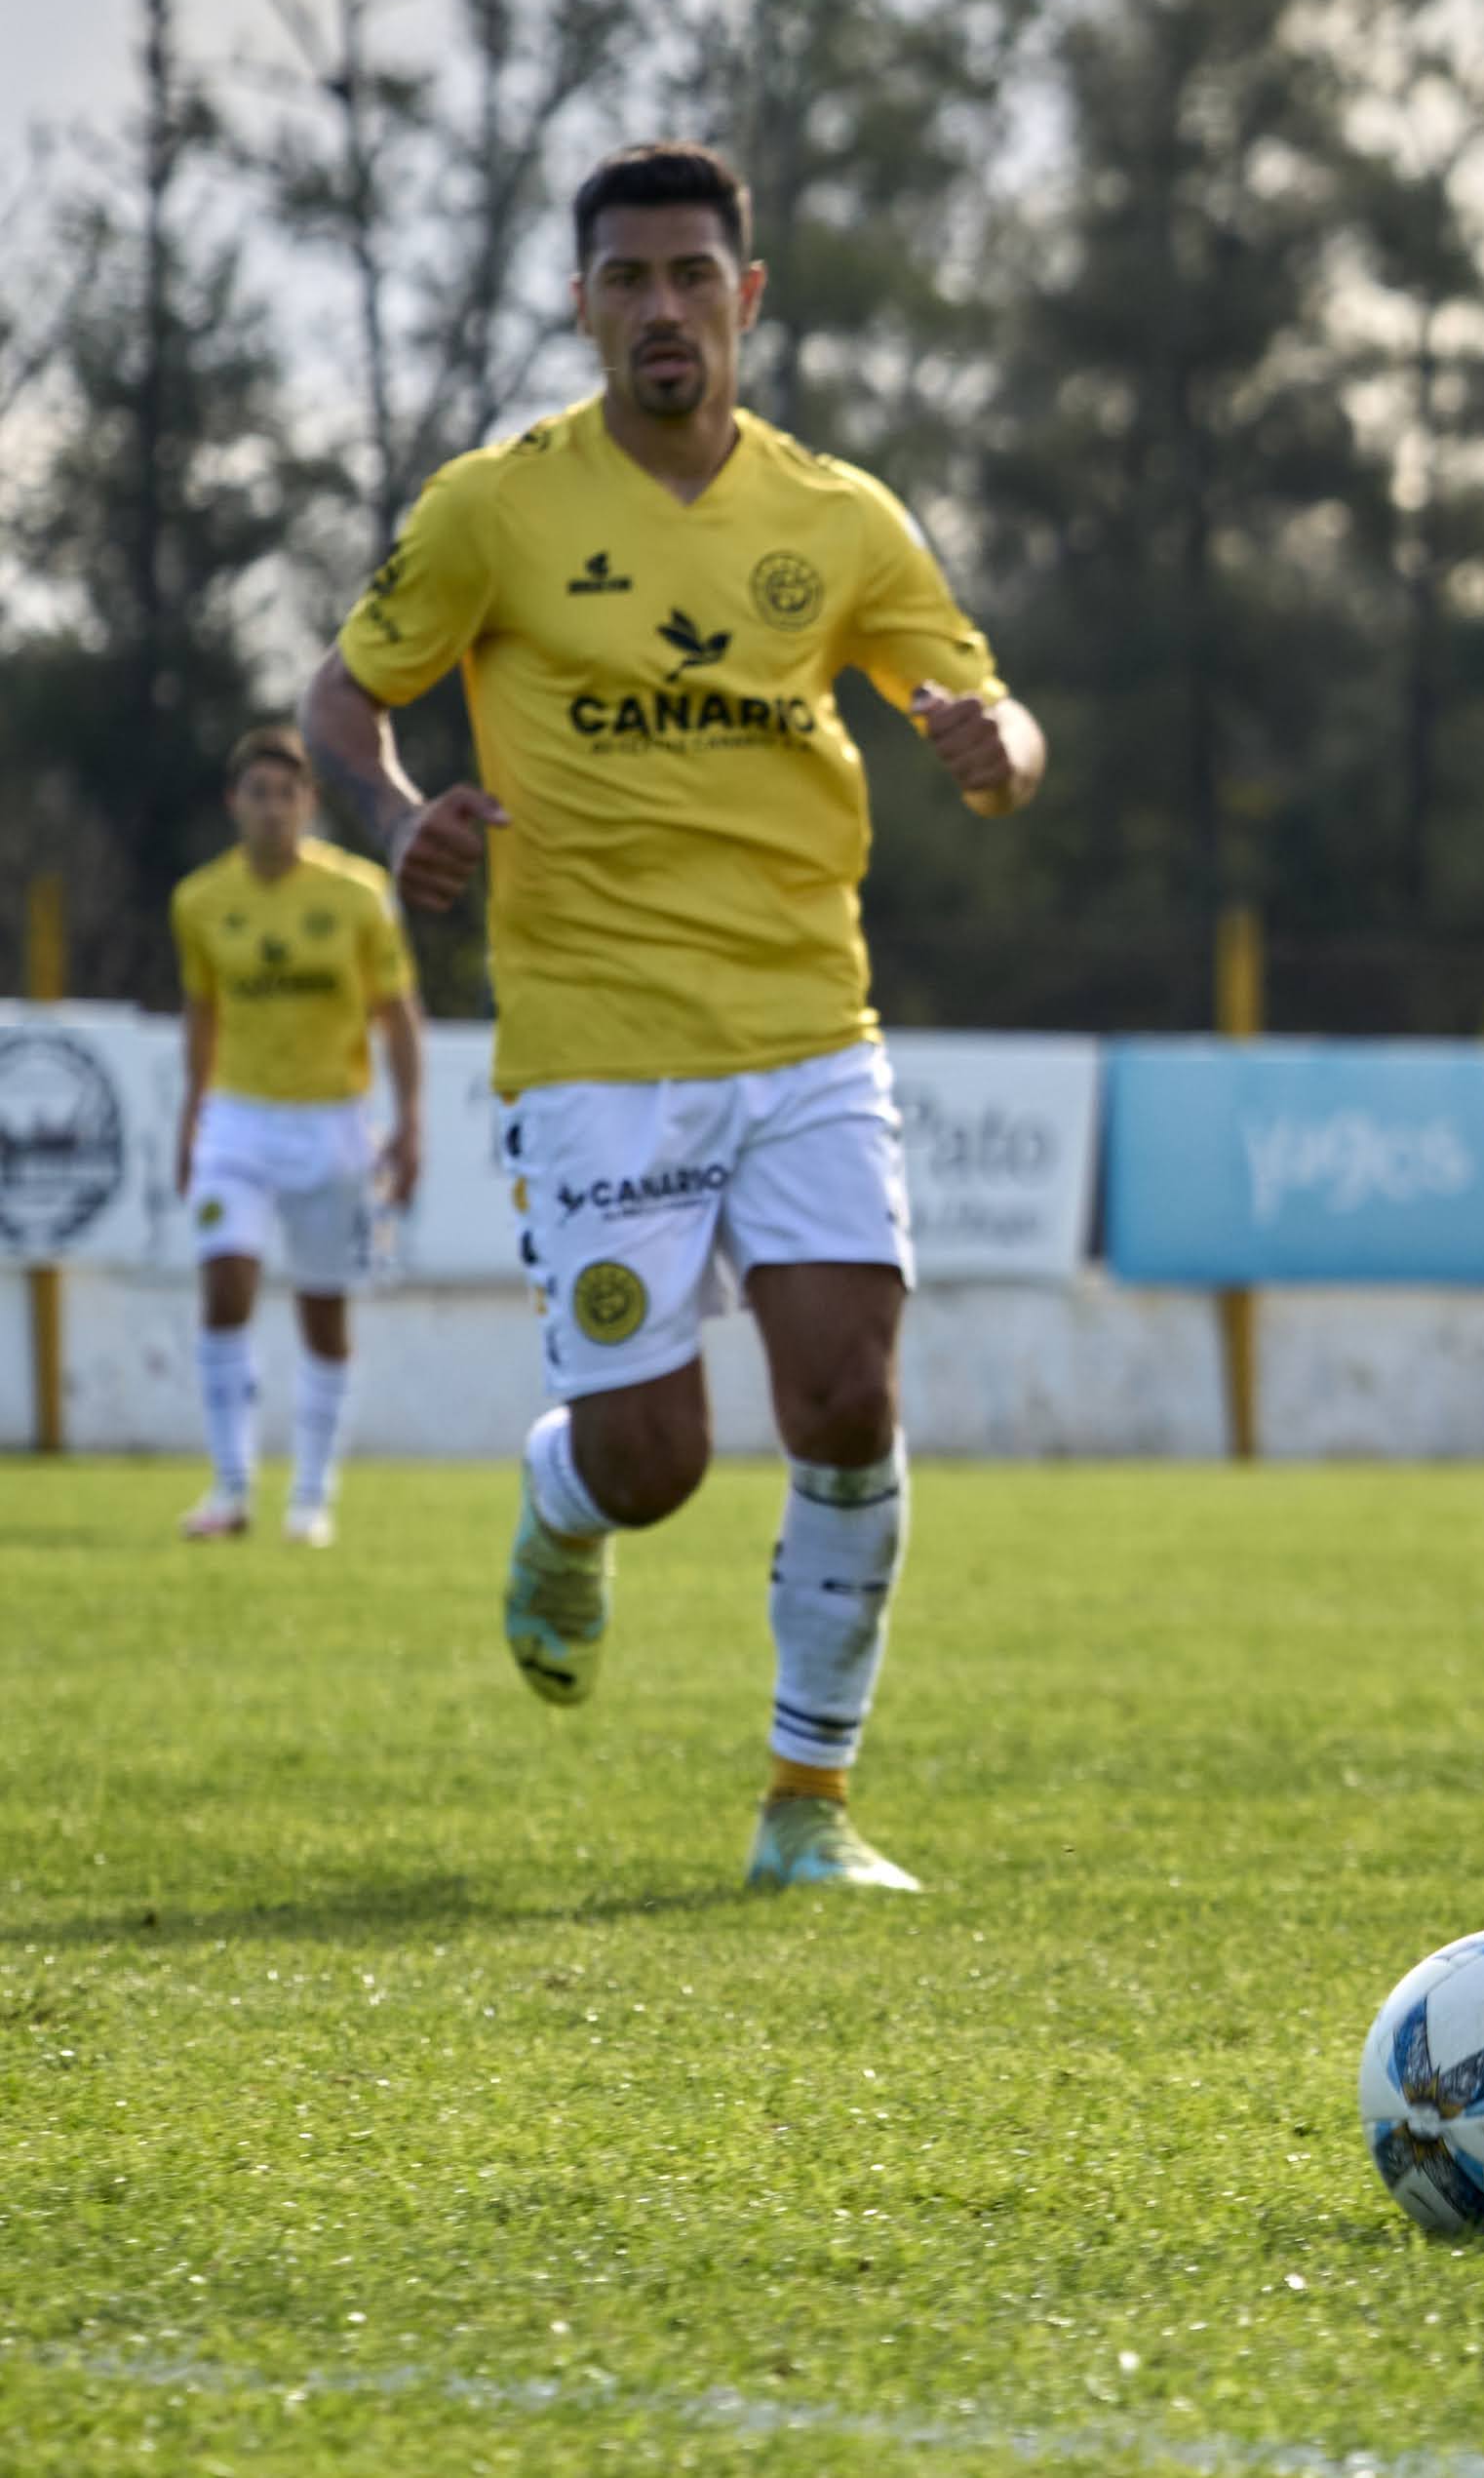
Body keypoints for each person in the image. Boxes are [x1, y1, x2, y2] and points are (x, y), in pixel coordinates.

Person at [303, 139, 1045, 1891]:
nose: (661, 310)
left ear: (747, 299)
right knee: (657, 1463)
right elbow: (346, 697)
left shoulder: (839, 520)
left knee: (848, 1397)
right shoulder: (495, 509)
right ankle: (566, 1499)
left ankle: (808, 1809)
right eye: (625, 280)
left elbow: (998, 722)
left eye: (691, 277)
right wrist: (404, 817)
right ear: (582, 307)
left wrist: (987, 754)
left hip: (807, 1022)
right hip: (599, 1049)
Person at [167, 723, 425, 1547]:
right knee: (225, 1284)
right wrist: (190, 1111)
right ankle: (230, 1487)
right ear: (233, 803)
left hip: (334, 1122)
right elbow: (202, 1011)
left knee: (322, 1310)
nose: (273, 809)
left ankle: (311, 1497)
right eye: (258, 793)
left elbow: (397, 1015)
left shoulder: (358, 895)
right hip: (236, 1120)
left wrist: (412, 1118)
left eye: (288, 793)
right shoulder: (199, 901)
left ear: (310, 803)